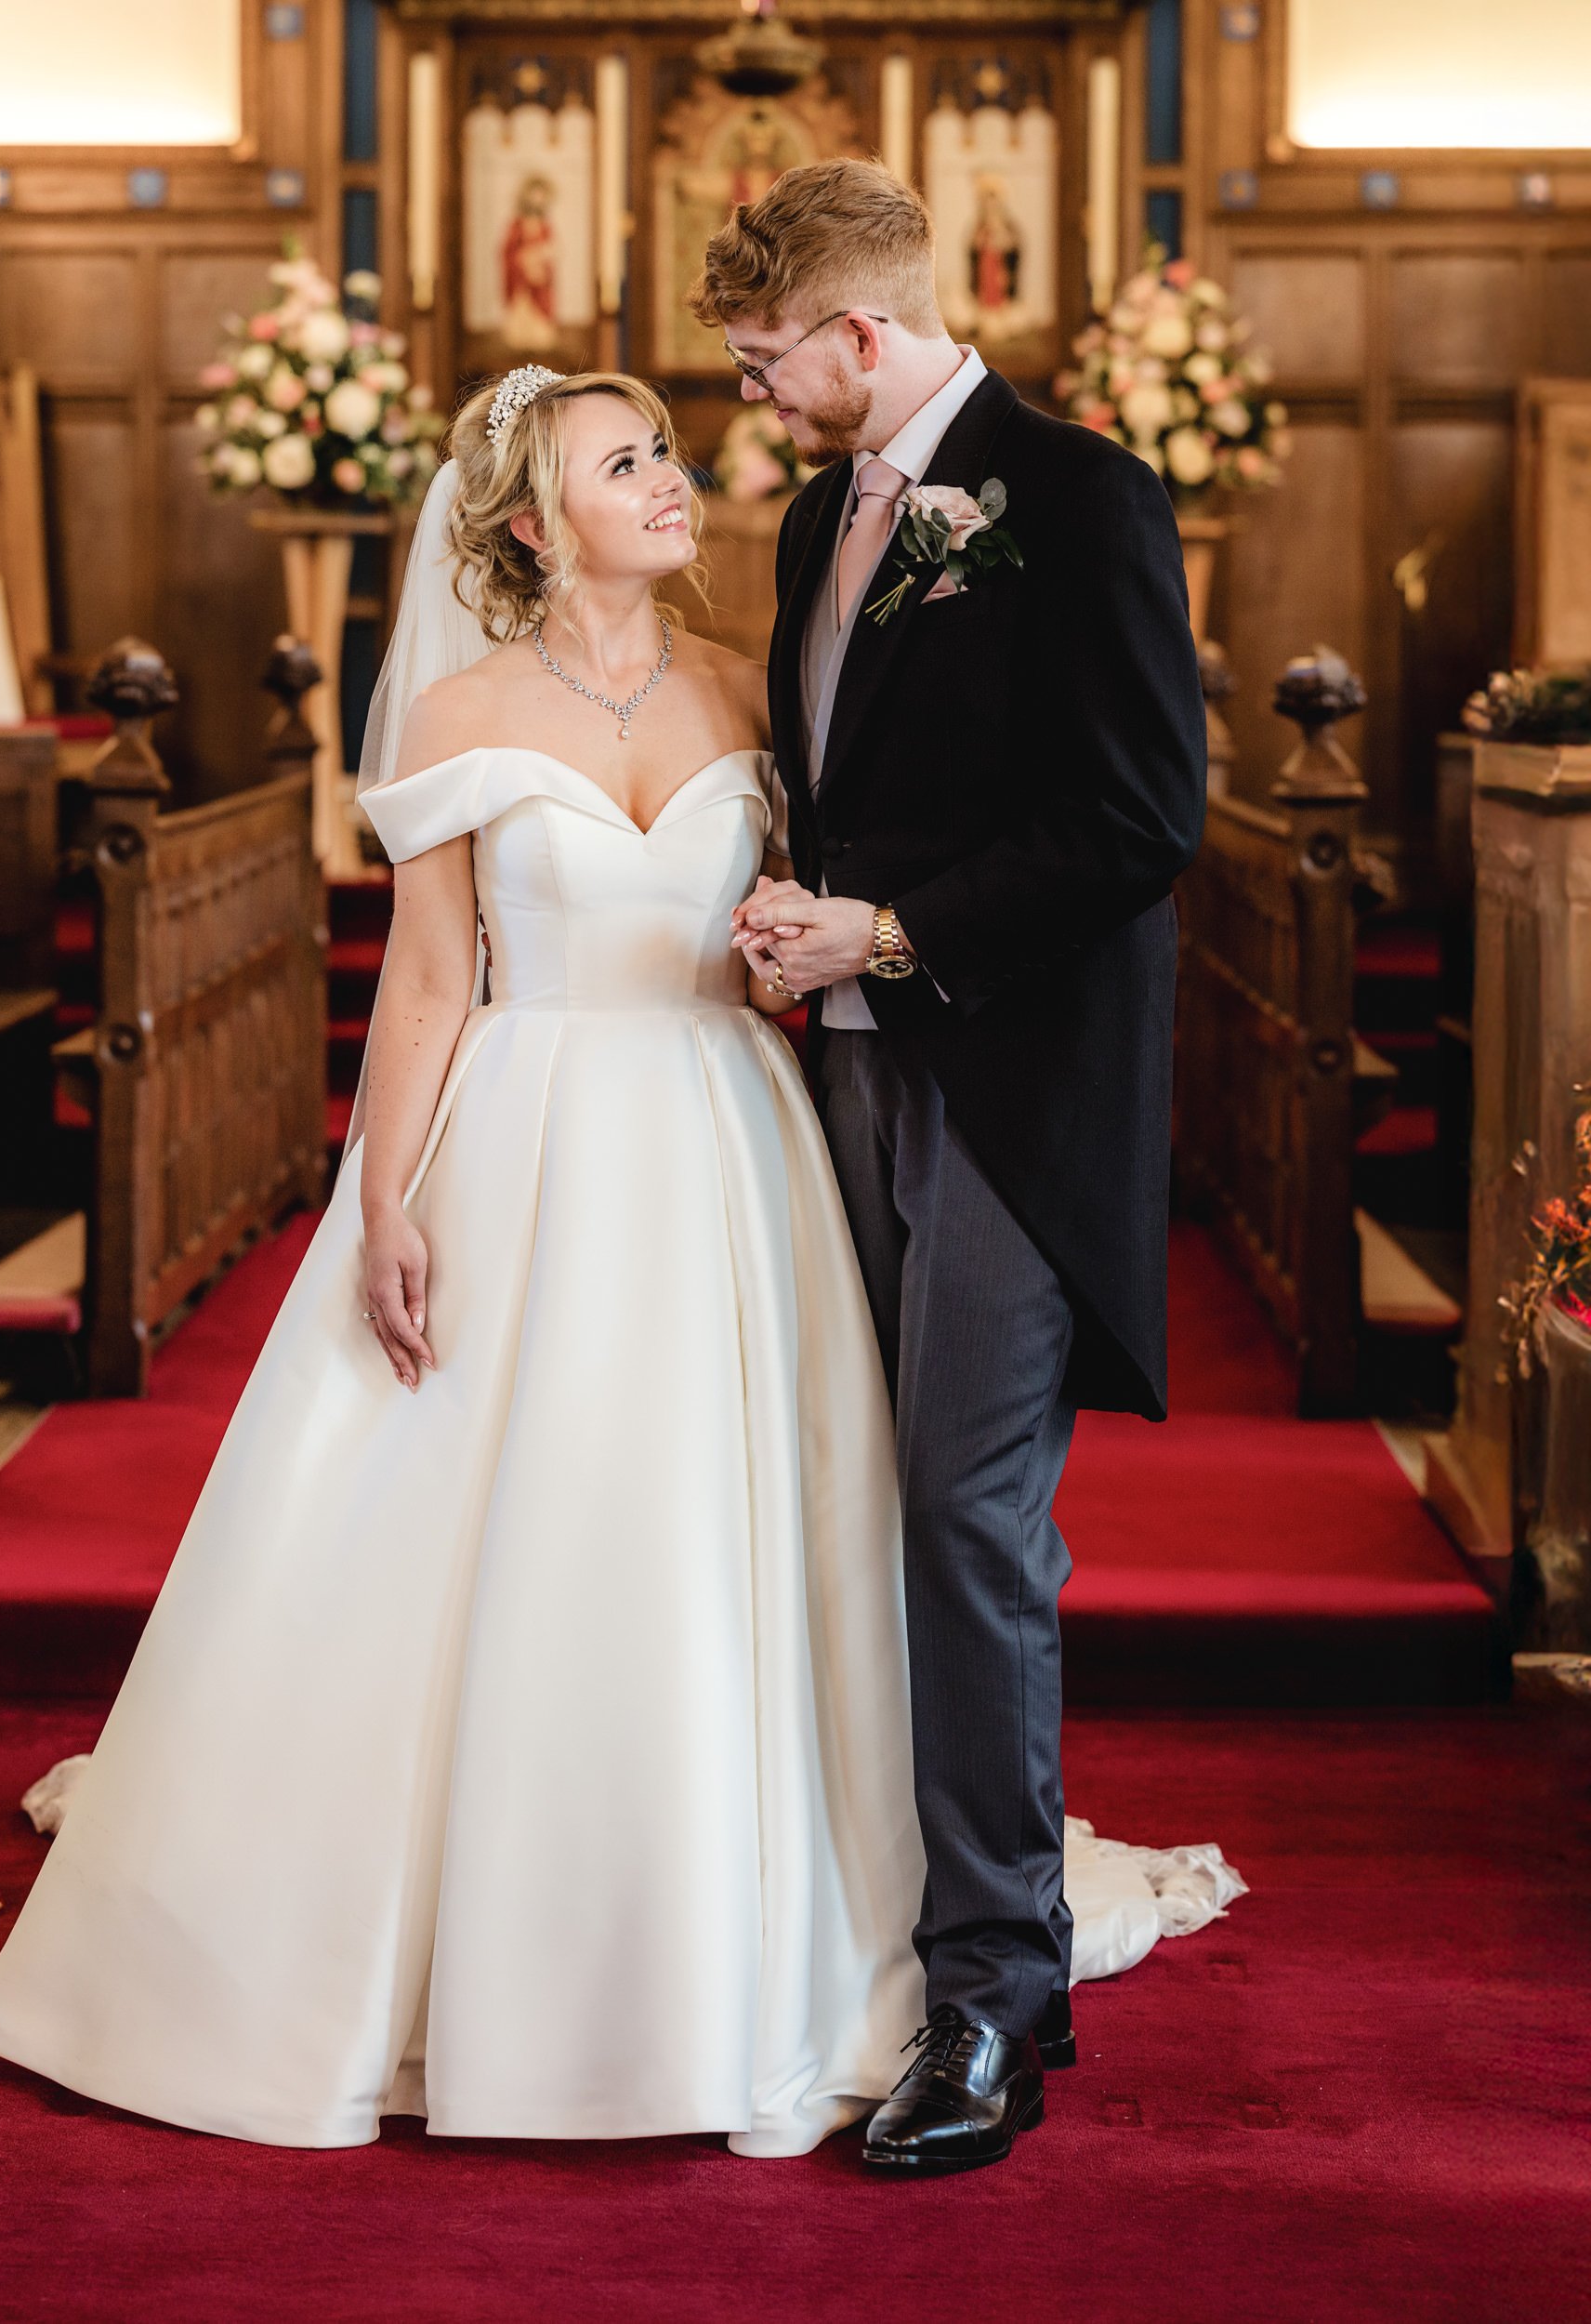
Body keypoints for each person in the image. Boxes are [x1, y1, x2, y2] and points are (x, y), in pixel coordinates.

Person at [0, 366, 932, 2158]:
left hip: (726, 1140)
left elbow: (776, 929)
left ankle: (733, 1933)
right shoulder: (457, 710)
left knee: (713, 1527)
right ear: (526, 520)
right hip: (534, 1138)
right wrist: (386, 1199)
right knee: (520, 1516)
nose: (671, 479)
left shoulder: (750, 686)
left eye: (666, 450)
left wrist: (795, 956)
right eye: (624, 460)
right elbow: (430, 979)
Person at [696, 159, 1208, 2173]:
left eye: (761, 359)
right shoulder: (824, 511)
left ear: (860, 334)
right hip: (836, 1080)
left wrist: (888, 933)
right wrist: (792, 918)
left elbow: (1138, 815)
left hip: (1004, 1084)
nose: (748, 394)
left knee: (963, 1517)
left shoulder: (1074, 492)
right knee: (856, 1494)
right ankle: (894, 1925)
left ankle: (992, 1995)